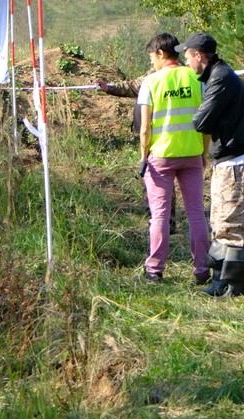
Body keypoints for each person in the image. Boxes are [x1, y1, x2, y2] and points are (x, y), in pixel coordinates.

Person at [136, 33, 210, 283]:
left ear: (160, 53)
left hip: (161, 156)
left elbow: (145, 128)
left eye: (151, 57)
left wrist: (143, 156)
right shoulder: (197, 77)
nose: (151, 63)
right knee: (197, 214)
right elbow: (206, 121)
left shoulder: (151, 82)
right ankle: (202, 270)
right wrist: (203, 152)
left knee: (160, 215)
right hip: (192, 153)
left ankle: (154, 270)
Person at [177, 31, 244, 297]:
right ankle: (220, 280)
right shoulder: (218, 76)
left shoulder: (221, 78)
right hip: (226, 158)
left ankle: (233, 285)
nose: (186, 62)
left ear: (199, 56)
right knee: (219, 220)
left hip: (234, 161)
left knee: (232, 222)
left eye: (187, 56)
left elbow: (201, 122)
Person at [96, 73, 177, 233]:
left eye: (152, 55)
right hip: (161, 136)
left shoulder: (162, 75)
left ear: (161, 54)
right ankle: (162, 220)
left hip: (160, 137)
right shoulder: (160, 74)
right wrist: (109, 87)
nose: (150, 59)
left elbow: (135, 85)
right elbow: (134, 85)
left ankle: (163, 222)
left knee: (158, 179)